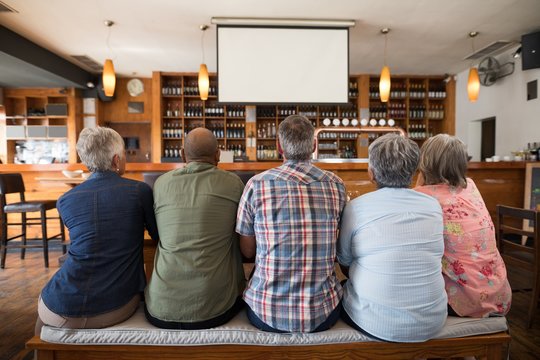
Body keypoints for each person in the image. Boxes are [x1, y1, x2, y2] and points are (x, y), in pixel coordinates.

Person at [37, 127, 159, 332]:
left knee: (41, 327)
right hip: (116, 303)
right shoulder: (140, 191)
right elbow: (157, 236)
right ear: (116, 160)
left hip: (58, 304)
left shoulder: (65, 200)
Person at [236, 115, 346, 333]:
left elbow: (247, 251)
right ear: (314, 146)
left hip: (265, 312)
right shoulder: (336, 185)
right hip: (322, 313)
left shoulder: (256, 185)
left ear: (279, 147)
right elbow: (338, 245)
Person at [337, 133, 447, 342]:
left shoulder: (356, 208)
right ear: (415, 172)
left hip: (375, 321)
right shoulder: (433, 206)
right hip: (432, 319)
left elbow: (344, 260)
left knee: (340, 288)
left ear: (372, 173)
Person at [144, 127, 245, 329]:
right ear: (218, 155)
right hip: (216, 305)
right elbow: (244, 235)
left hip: (162, 307)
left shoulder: (161, 184)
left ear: (182, 154)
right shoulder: (234, 184)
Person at [415, 134, 511, 317]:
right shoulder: (471, 187)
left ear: (425, 162)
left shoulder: (423, 196)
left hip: (464, 301)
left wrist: (420, 183)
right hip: (499, 295)